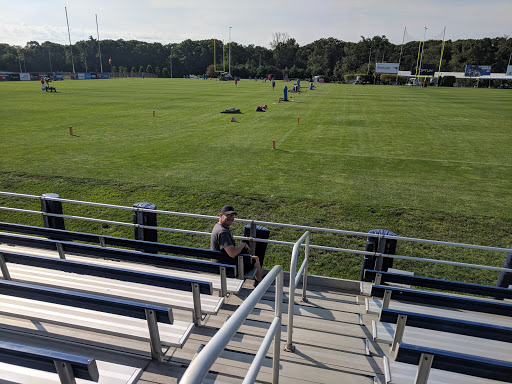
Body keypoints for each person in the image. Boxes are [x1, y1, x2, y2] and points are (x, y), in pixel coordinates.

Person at [210, 205, 262, 284]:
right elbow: (232, 253)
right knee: (256, 259)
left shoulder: (217, 227)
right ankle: (260, 283)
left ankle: (259, 280)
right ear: (220, 215)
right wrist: (243, 244)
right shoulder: (222, 232)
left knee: (248, 255)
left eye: (232, 215)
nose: (231, 218)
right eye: (228, 215)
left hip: (219, 264)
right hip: (227, 268)